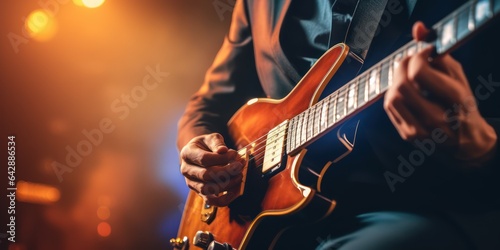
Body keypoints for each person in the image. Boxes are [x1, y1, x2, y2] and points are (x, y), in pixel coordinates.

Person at [177, 0, 500, 249]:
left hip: (415, 207)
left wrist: (482, 150)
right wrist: (199, 150)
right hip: (271, 219)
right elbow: (210, 102)